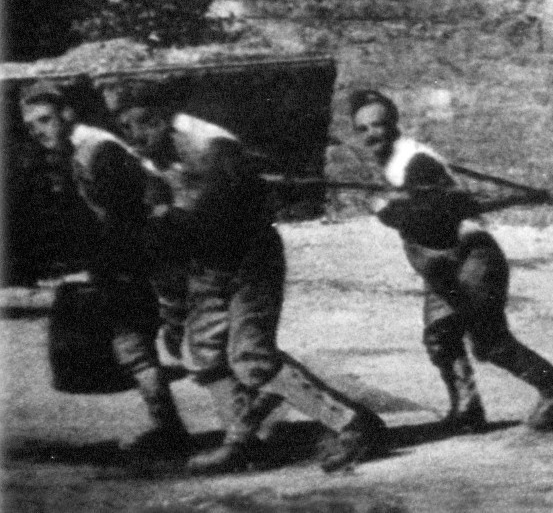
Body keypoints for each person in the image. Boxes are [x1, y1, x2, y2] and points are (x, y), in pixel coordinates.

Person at [108, 77, 385, 474]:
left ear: (164, 117)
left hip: (248, 258)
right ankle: (242, 441)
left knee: (251, 356)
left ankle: (354, 424)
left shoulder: (210, 145)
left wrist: (173, 220)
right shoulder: (152, 156)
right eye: (126, 127)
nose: (136, 135)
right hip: (207, 262)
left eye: (144, 123)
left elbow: (223, 213)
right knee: (202, 356)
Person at [347, 89, 553, 433]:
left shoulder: (416, 162)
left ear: (394, 123)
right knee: (440, 336)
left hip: (471, 258)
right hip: (439, 263)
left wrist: (387, 212)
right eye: (362, 129)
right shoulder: (389, 162)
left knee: (488, 341)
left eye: (378, 125)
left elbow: (430, 218)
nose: (371, 135)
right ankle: (467, 408)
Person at [18, 78, 190, 457]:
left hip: (151, 255)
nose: (38, 131)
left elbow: (128, 216)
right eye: (31, 126)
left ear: (67, 114)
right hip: (130, 258)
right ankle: (171, 428)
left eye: (45, 120)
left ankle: (196, 428)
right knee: (136, 345)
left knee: (183, 342)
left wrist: (111, 266)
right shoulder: (74, 150)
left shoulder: (98, 150)